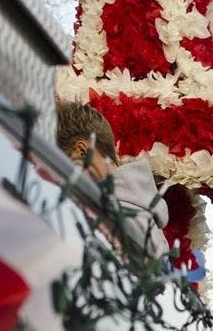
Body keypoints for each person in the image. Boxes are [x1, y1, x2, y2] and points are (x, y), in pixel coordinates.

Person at [56, 100, 169, 258]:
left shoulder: (113, 219)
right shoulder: (137, 214)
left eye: (58, 166)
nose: (56, 181)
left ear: (82, 152)